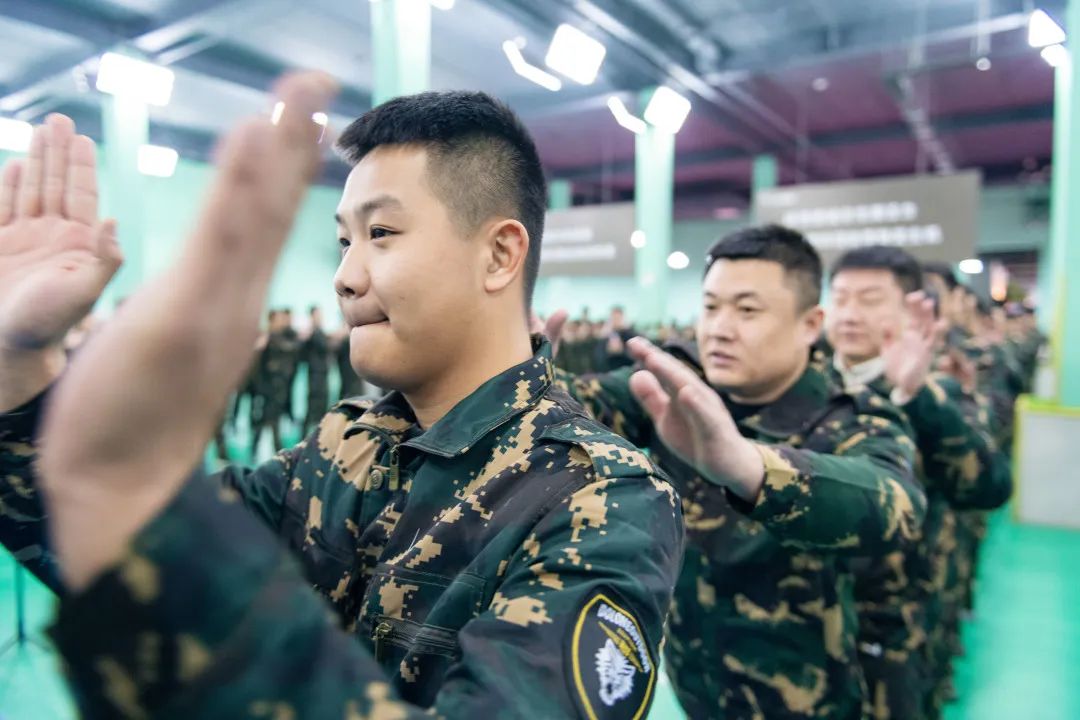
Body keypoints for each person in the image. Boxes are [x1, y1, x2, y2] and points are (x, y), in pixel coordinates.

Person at [0, 79, 683, 718]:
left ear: (500, 255)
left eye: (380, 233)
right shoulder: (342, 448)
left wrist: (127, 486)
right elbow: (126, 555)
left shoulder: (604, 500)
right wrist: (19, 363)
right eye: (342, 240)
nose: (345, 276)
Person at [549, 225, 926, 719]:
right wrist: (525, 374)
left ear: (810, 324)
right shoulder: (678, 387)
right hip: (696, 677)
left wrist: (751, 467)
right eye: (710, 307)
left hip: (809, 698)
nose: (720, 329)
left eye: (747, 311)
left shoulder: (850, 416)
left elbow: (897, 504)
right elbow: (583, 403)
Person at [826, 246, 1012, 720]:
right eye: (840, 298)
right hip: (808, 624)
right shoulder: (806, 384)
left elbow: (988, 485)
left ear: (911, 310)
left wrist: (914, 394)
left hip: (893, 627)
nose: (850, 314)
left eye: (870, 300)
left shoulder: (938, 390)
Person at [301, 305, 331, 434]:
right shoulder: (311, 333)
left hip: (322, 373)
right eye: (318, 314)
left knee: (321, 405)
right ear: (312, 316)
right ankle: (306, 435)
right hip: (315, 374)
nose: (320, 317)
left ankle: (318, 435)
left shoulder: (319, 331)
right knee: (313, 404)